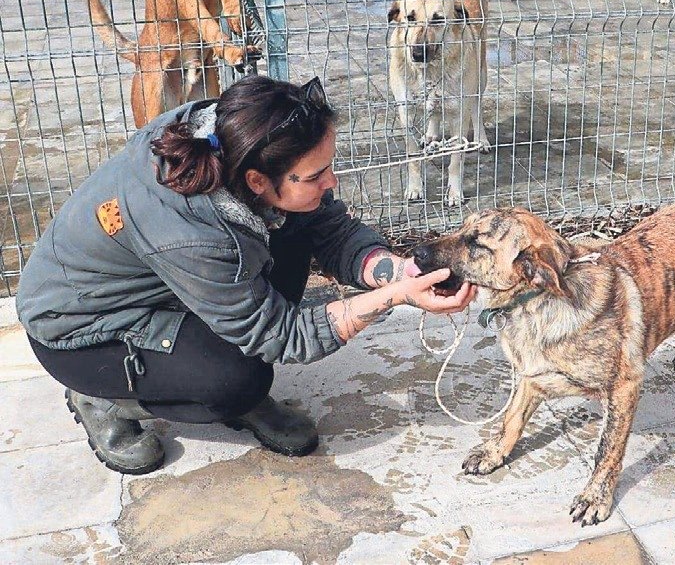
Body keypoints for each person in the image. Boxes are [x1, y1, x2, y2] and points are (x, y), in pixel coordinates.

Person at [16, 75, 475, 474]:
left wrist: (398, 272)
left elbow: (330, 230)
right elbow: (281, 335)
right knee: (236, 379)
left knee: (298, 220)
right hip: (83, 331)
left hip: (169, 282)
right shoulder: (193, 232)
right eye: (316, 174)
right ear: (257, 181)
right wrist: (392, 298)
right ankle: (100, 398)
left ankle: (211, 357)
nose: (331, 181)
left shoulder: (232, 137)